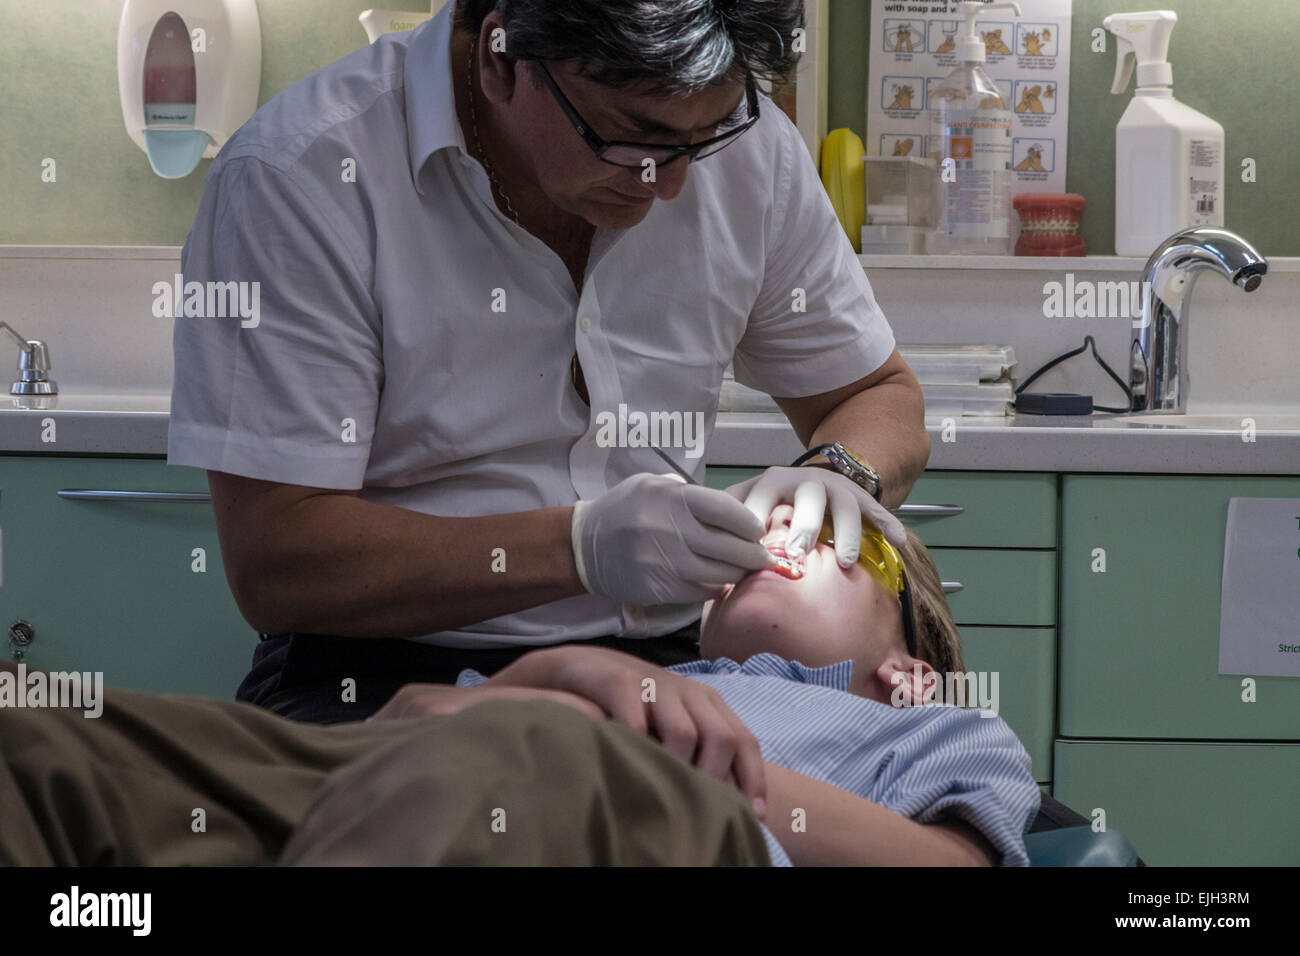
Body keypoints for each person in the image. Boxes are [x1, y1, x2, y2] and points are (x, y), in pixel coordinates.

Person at [169, 0, 930, 789]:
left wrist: (838, 472)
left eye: (700, 141)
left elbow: (879, 392)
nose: (666, 185)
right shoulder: (302, 175)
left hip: (685, 670)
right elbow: (276, 565)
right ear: (499, 54)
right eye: (629, 134)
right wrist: (579, 549)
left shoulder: (748, 152)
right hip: (380, 672)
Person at [447, 504, 1041, 865]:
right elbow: (413, 731)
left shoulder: (938, 732)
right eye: (760, 529)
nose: (784, 523)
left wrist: (671, 767)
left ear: (908, 676)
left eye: (834, 533)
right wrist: (560, 668)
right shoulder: (636, 680)